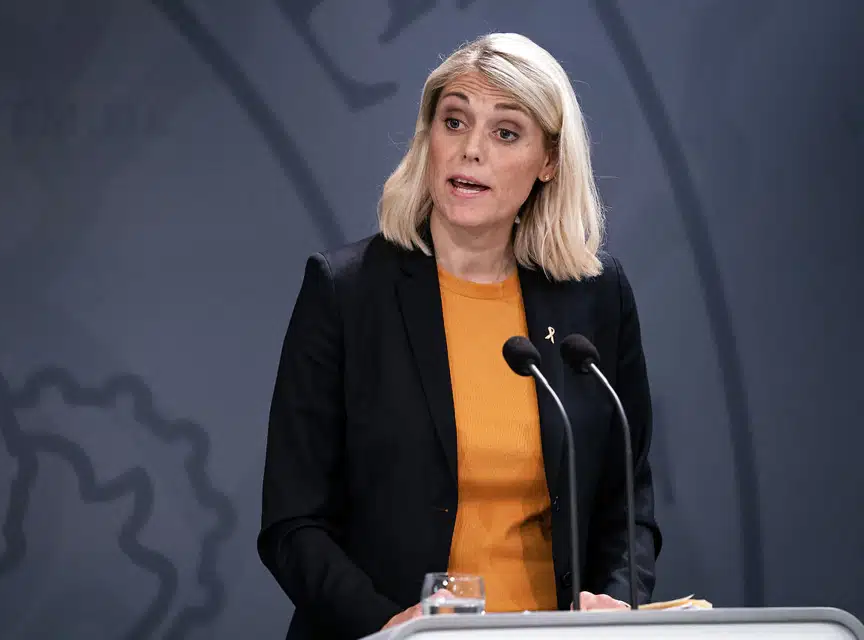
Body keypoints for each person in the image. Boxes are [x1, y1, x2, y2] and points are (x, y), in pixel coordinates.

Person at [257, 32, 662, 640]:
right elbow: (293, 522)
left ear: (550, 162)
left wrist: (617, 606)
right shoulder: (346, 292)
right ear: (429, 139)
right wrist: (391, 626)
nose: (471, 150)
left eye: (506, 132)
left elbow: (627, 504)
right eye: (454, 122)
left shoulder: (596, 297)